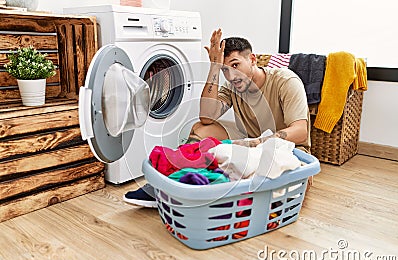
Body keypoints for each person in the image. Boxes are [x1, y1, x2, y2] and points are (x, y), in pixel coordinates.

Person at [123, 28, 310, 208]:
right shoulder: (233, 85)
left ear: (252, 59)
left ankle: (203, 192)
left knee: (277, 183)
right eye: (225, 70)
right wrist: (213, 68)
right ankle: (176, 178)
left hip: (289, 148)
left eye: (236, 65)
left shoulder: (285, 80)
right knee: (200, 129)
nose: (231, 75)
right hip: (250, 139)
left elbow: (301, 131)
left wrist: (258, 142)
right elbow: (206, 117)